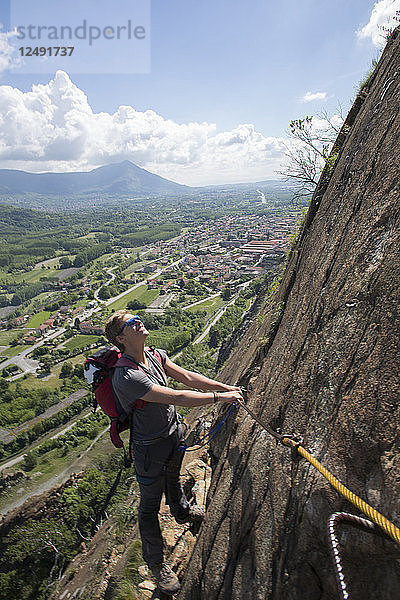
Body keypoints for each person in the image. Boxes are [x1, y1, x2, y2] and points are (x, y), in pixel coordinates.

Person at [104, 309, 243, 595]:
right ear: (121, 338)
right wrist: (221, 398)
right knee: (149, 506)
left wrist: (225, 386)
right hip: (148, 447)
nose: (138, 321)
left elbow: (189, 377)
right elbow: (178, 397)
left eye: (136, 317)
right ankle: (157, 565)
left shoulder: (156, 355)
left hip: (172, 434)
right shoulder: (127, 376)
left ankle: (181, 511)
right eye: (131, 323)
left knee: (173, 477)